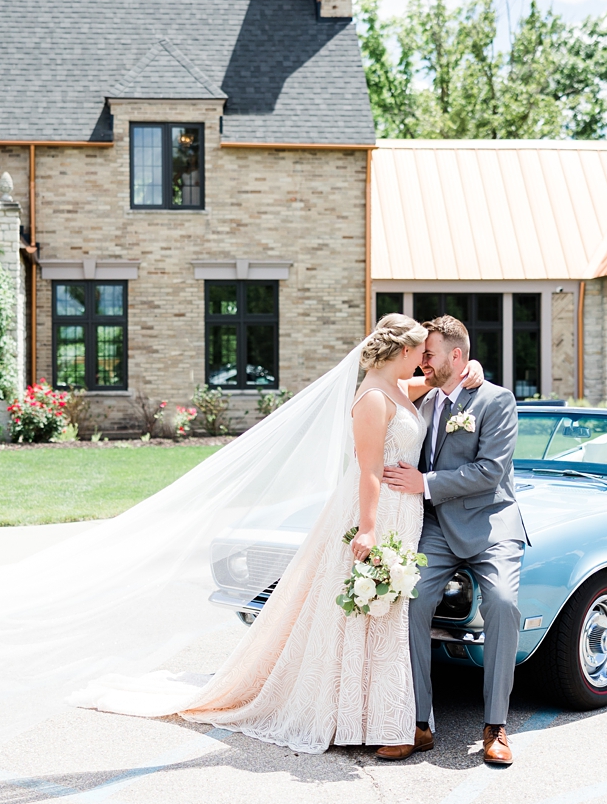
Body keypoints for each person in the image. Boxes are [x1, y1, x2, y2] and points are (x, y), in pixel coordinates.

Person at [74, 314, 484, 754]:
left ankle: (387, 718)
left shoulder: (400, 389)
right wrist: (367, 530)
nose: (425, 362)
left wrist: (470, 368)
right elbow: (367, 471)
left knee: (388, 617)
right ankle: (381, 725)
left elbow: (446, 382)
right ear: (402, 352)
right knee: (366, 613)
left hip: (404, 512)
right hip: (377, 512)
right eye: (420, 353)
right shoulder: (372, 399)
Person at [377, 315, 526, 766]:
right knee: (410, 602)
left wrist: (423, 483)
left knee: (501, 602)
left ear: (456, 357)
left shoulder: (496, 400)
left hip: (491, 522)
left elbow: (490, 473)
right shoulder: (421, 401)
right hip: (439, 527)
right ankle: (418, 723)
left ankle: (496, 724)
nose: (422, 361)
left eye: (430, 354)